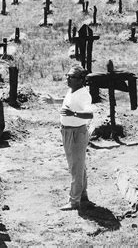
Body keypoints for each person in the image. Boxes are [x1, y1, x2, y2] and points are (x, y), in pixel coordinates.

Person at [43, 65, 94, 210]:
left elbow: (89, 114)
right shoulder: (72, 90)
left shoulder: (84, 95)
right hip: (68, 131)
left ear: (80, 80)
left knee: (75, 167)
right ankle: (82, 196)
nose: (67, 78)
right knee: (79, 165)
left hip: (76, 133)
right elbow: (67, 101)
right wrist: (54, 100)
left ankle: (74, 201)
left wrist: (74, 114)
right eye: (68, 75)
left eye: (71, 76)